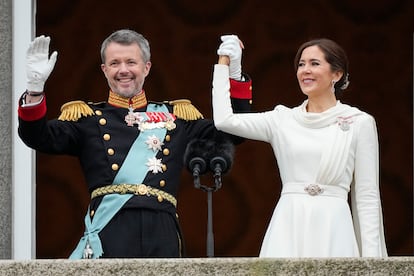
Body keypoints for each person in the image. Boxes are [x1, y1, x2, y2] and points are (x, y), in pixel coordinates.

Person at [17, 29, 252, 258]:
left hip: (162, 231)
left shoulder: (178, 116)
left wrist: (235, 75)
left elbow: (233, 132)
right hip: (110, 230)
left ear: (146, 67)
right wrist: (35, 90)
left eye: (131, 62)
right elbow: (38, 137)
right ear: (104, 70)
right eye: (114, 63)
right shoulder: (86, 118)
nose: (123, 70)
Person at [212, 35, 388, 257]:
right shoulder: (282, 119)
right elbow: (224, 120)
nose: (305, 70)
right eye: (301, 64)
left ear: (337, 74)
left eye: (315, 64)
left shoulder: (359, 122)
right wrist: (227, 67)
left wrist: (372, 262)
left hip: (334, 226)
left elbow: (367, 196)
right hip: (288, 223)